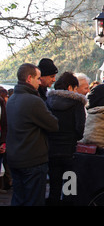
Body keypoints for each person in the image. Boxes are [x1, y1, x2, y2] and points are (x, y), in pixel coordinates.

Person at [6, 63, 59, 206]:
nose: (40, 81)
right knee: (34, 201)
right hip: (32, 161)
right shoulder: (34, 101)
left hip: (15, 159)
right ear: (29, 78)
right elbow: (53, 125)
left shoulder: (11, 100)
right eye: (38, 78)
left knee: (18, 199)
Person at [45, 72, 87, 205]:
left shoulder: (48, 101)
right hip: (70, 152)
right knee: (69, 190)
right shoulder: (77, 103)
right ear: (70, 87)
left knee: (54, 189)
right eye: (75, 88)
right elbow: (80, 128)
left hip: (51, 152)